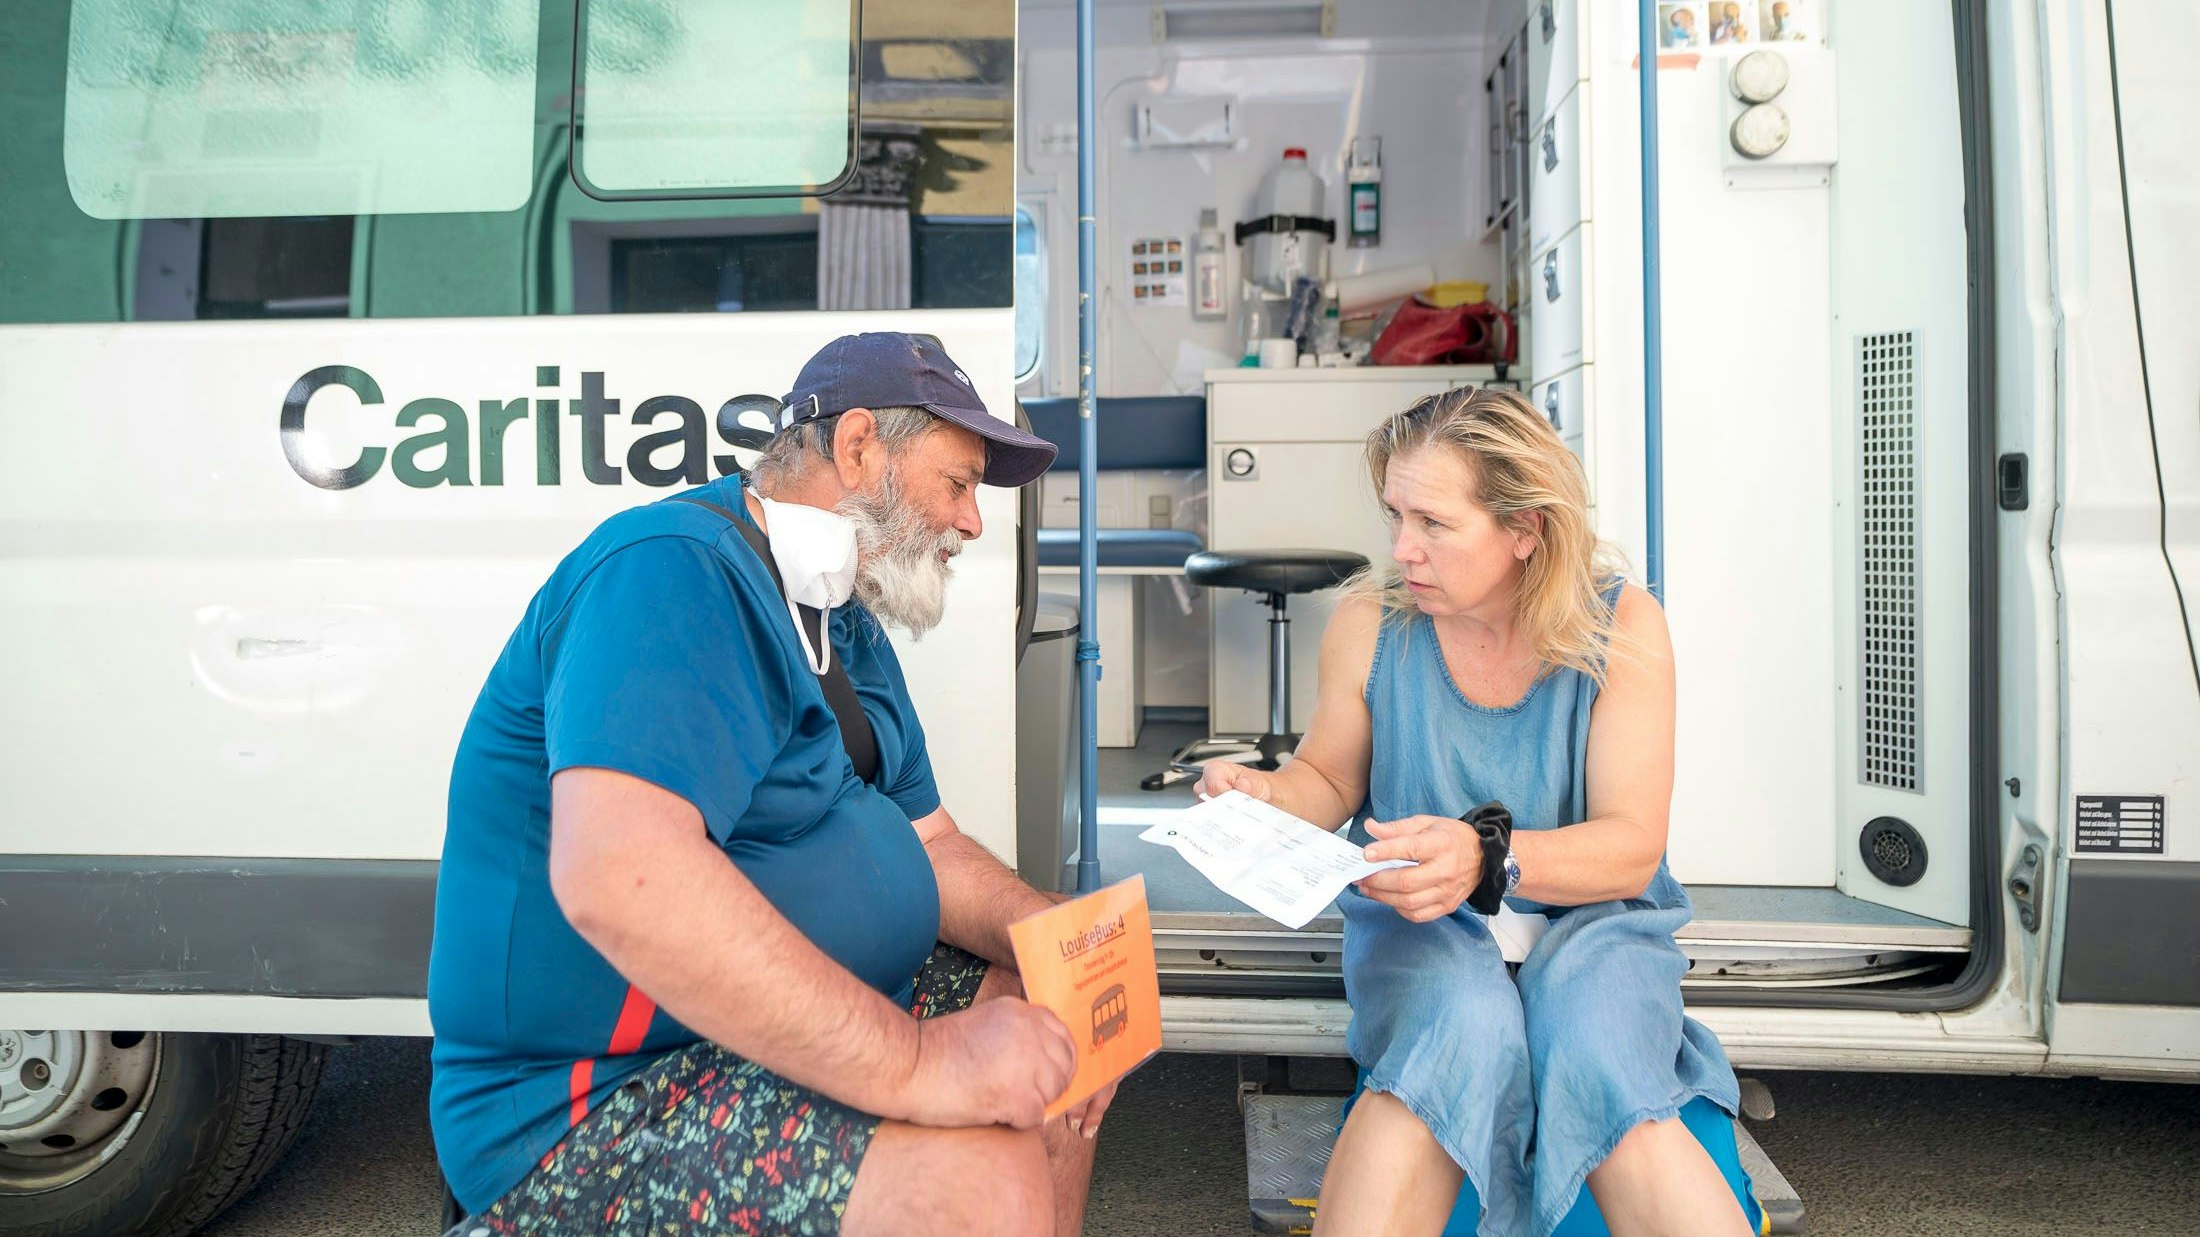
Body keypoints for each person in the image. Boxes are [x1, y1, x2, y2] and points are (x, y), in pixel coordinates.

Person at [428, 332, 1116, 1237]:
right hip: (600, 1099)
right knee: (975, 1182)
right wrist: (918, 1065)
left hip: (775, 1027)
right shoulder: (669, 571)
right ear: (860, 445)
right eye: (957, 485)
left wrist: (1044, 931)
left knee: (1065, 1014)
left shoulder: (843, 612)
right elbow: (620, 874)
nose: (973, 522)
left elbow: (932, 842)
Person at [1200, 387, 1754, 1237]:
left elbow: (1630, 847)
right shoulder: (1368, 620)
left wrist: (1487, 860)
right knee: (1458, 1022)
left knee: (1596, 1039)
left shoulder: (1624, 625)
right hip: (1424, 924)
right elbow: (1326, 778)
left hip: (1595, 919)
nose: (1401, 548)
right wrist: (1268, 794)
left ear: (1525, 528)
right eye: (1394, 515)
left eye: (1433, 522)